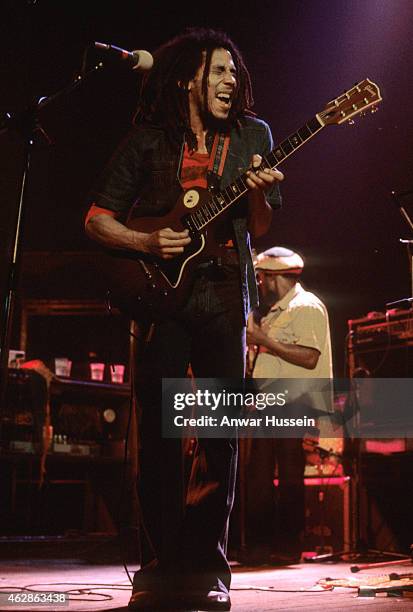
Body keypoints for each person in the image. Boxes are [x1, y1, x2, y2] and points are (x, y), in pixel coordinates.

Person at [84, 27, 284, 611]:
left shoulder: (254, 135)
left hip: (224, 290)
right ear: (186, 79)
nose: (230, 81)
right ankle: (160, 566)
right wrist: (146, 244)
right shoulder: (147, 141)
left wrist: (258, 194)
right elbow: (96, 218)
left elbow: (263, 226)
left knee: (219, 433)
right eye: (218, 71)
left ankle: (207, 568)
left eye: (234, 72)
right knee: (161, 429)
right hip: (162, 296)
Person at [245, 246, 333, 565]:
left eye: (261, 277)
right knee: (259, 477)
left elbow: (309, 358)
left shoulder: (306, 307)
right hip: (272, 403)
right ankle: (262, 546)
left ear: (273, 278)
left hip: (295, 403)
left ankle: (287, 546)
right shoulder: (274, 312)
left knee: (288, 476)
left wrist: (263, 340)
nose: (258, 283)